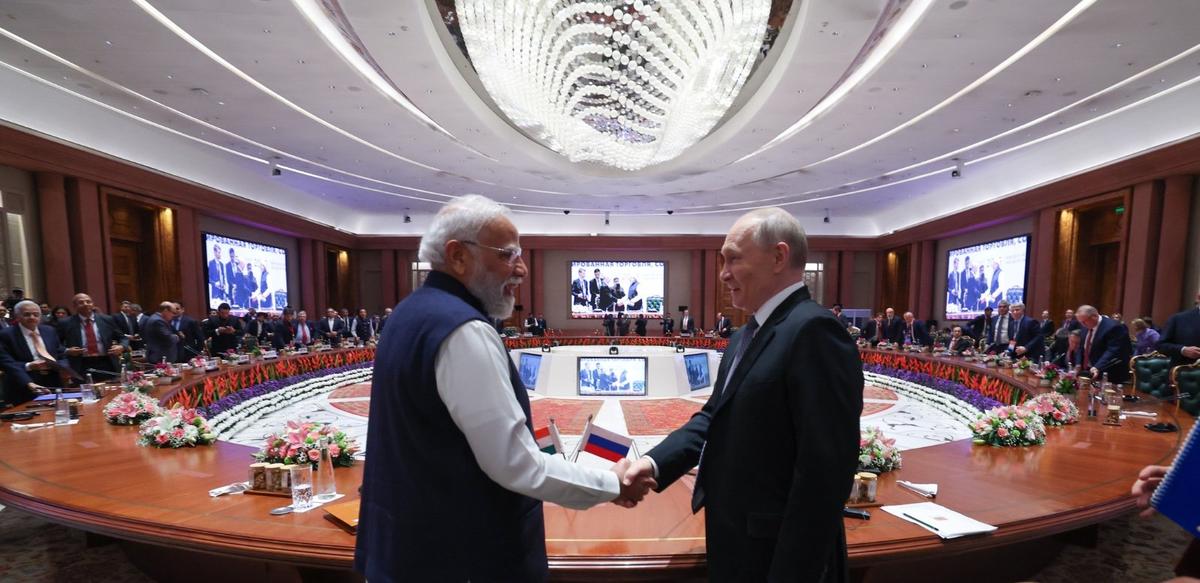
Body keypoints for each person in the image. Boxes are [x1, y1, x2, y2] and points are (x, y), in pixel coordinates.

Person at [354, 195, 653, 582]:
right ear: (458, 256)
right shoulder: (464, 331)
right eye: (508, 254)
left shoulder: (407, 314)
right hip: (462, 558)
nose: (522, 269)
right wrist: (612, 484)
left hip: (406, 548)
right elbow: (515, 465)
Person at [623, 207, 862, 582]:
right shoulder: (744, 336)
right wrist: (653, 464)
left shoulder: (814, 331)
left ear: (779, 257)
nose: (723, 274)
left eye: (733, 258)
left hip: (778, 557)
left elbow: (825, 472)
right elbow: (712, 417)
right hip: (738, 543)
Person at [0, 300, 69, 405]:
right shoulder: (6, 335)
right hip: (23, 385)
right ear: (17, 316)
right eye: (27, 314)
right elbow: (6, 362)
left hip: (52, 382)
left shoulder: (49, 331)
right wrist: (29, 367)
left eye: (36, 314)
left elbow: (60, 353)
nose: (32, 317)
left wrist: (64, 368)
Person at [58, 293, 125, 375]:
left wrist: (121, 346)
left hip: (106, 362)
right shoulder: (66, 323)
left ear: (93, 304)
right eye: (81, 302)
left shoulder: (106, 319)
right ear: (74, 306)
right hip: (80, 364)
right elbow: (55, 344)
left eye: (88, 302)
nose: (85, 304)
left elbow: (123, 338)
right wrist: (67, 350)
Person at [1075, 305, 1133, 383]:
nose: (1082, 325)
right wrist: (1078, 364)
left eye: (1084, 321)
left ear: (1094, 316)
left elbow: (1112, 351)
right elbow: (1081, 347)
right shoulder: (1086, 325)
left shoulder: (1114, 327)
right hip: (1090, 371)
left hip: (1109, 373)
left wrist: (1097, 367)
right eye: (1080, 322)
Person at [1159, 290, 1200, 368]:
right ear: (1199, 297)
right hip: (1185, 373)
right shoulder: (1178, 319)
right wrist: (1183, 350)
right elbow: (1161, 346)